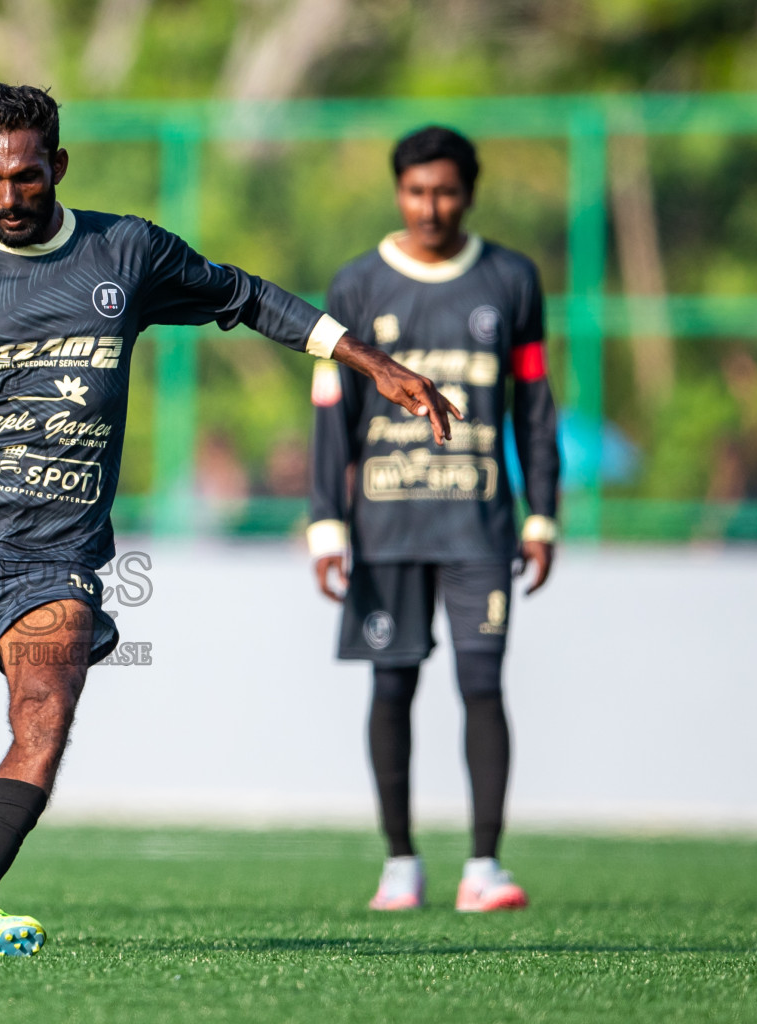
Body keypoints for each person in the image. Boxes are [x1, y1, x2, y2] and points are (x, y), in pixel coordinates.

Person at [0, 83, 458, 956]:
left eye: (28, 178)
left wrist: (369, 361)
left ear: (60, 166)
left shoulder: (123, 252)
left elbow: (243, 295)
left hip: (52, 556)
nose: (10, 198)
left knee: (44, 711)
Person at [307, 126, 560, 913]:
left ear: (469, 193)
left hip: (481, 527)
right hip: (385, 528)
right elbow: (331, 416)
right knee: (392, 686)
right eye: (417, 191)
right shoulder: (356, 286)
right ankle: (401, 863)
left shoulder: (511, 279)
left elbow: (535, 408)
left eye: (445, 191)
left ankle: (484, 866)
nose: (431, 207)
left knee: (482, 684)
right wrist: (326, 525)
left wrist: (542, 516)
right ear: (398, 193)